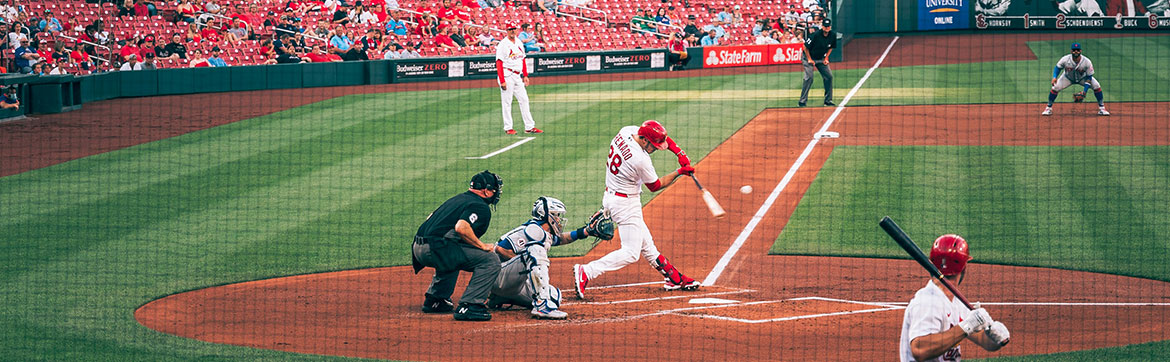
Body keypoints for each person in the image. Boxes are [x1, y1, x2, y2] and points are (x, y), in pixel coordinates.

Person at [573, 120, 699, 299]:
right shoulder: (640, 160)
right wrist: (680, 172)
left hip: (612, 196)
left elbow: (662, 137)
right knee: (631, 253)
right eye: (654, 146)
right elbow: (655, 186)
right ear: (645, 140)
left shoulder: (627, 132)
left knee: (647, 245)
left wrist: (679, 152)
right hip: (625, 204)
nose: (655, 149)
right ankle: (587, 271)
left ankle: (674, 279)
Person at [900, 234, 1011, 361]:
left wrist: (994, 337)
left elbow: (981, 339)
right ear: (963, 267)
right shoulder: (927, 301)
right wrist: (966, 326)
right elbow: (920, 350)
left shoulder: (955, 301)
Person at [412, 171, 505, 321]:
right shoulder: (480, 206)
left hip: (418, 248)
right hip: (435, 250)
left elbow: (430, 219)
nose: (496, 193)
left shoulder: (458, 199)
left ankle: (436, 300)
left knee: (454, 252)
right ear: (486, 191)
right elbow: (461, 227)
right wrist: (482, 246)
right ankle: (470, 305)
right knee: (490, 260)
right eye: (495, 190)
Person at [487, 197, 599, 319]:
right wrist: (524, 262)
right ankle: (542, 307)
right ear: (548, 216)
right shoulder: (530, 231)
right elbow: (499, 249)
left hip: (514, 284)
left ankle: (502, 297)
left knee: (554, 297)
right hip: (499, 278)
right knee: (535, 250)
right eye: (556, 215)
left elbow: (561, 239)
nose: (559, 219)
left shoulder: (543, 233)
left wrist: (585, 232)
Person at [496, 22, 541, 135]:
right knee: (507, 102)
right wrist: (502, 80)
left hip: (517, 75)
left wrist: (525, 75)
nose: (512, 31)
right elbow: (499, 62)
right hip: (507, 75)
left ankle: (529, 127)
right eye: (510, 29)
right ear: (507, 30)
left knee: (524, 99)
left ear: (517, 30)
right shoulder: (503, 44)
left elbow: (522, 59)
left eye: (514, 29)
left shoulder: (519, 42)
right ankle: (508, 127)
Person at [1043, 43, 1109, 116]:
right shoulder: (1065, 59)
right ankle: (1048, 108)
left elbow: (1089, 77)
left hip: (1083, 78)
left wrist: (1084, 92)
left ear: (1080, 51)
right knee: (1055, 88)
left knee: (1096, 86)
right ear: (1071, 51)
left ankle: (1102, 108)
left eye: (1077, 50)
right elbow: (1058, 68)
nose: (1076, 52)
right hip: (1067, 78)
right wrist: (1054, 77)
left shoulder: (1087, 61)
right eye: (1074, 50)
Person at [799, 18, 836, 107]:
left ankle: (828, 100)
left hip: (820, 58)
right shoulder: (815, 35)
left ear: (830, 27)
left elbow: (831, 47)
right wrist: (809, 59)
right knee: (809, 77)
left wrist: (826, 58)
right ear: (822, 26)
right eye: (825, 26)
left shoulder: (832, 35)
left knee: (829, 76)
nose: (827, 28)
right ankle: (802, 101)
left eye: (828, 26)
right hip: (808, 57)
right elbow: (805, 47)